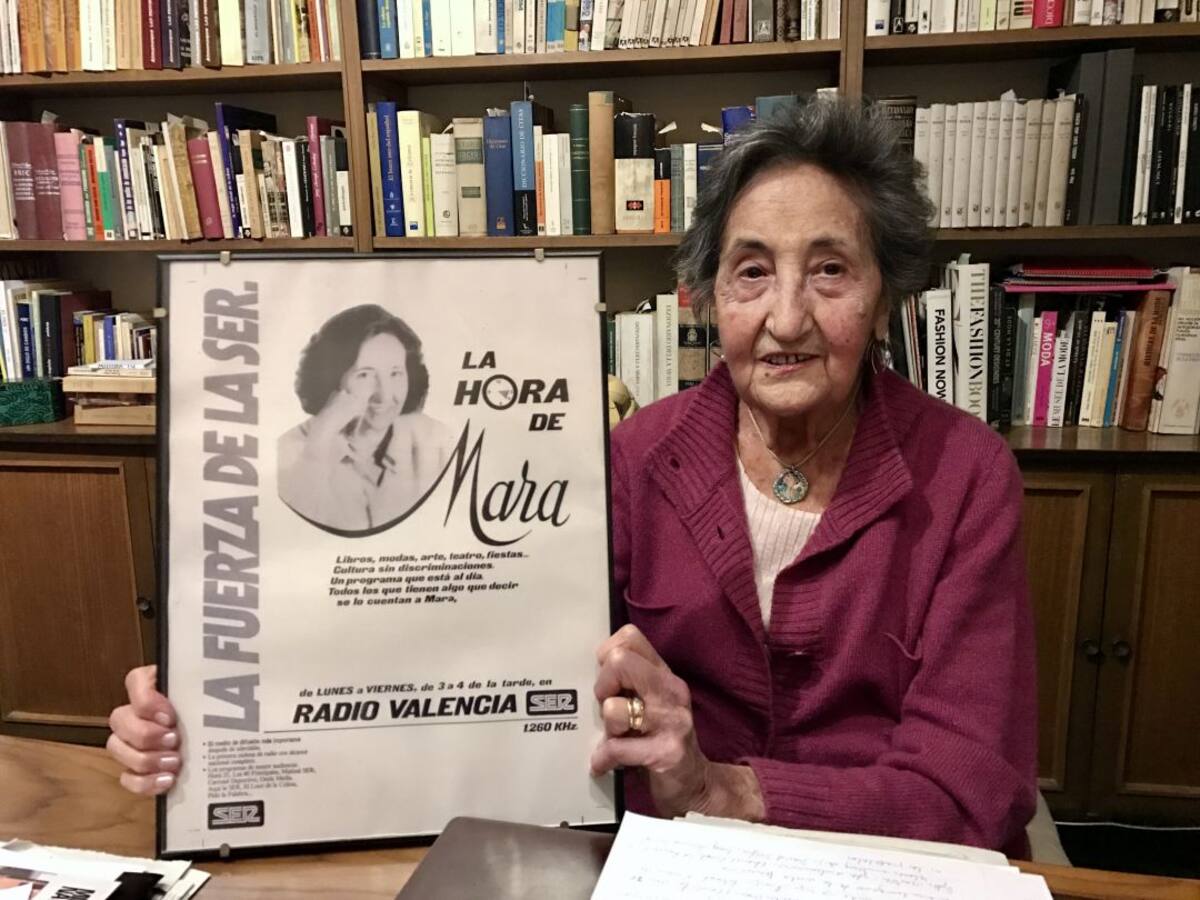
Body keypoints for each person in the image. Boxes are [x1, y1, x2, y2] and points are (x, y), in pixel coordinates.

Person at [107, 97, 1037, 856]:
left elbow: (974, 788)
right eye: (751, 272)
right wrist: (223, 713)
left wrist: (728, 790)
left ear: (886, 297)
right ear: (708, 295)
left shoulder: (964, 474)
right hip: (671, 864)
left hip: (886, 871)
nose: (786, 318)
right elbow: (492, 672)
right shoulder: (631, 460)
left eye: (830, 270)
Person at [276, 303, 455, 533]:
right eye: (364, 375)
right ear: (332, 378)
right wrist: (319, 443)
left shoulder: (437, 441)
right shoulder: (288, 449)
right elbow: (294, 537)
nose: (384, 395)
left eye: (395, 373)